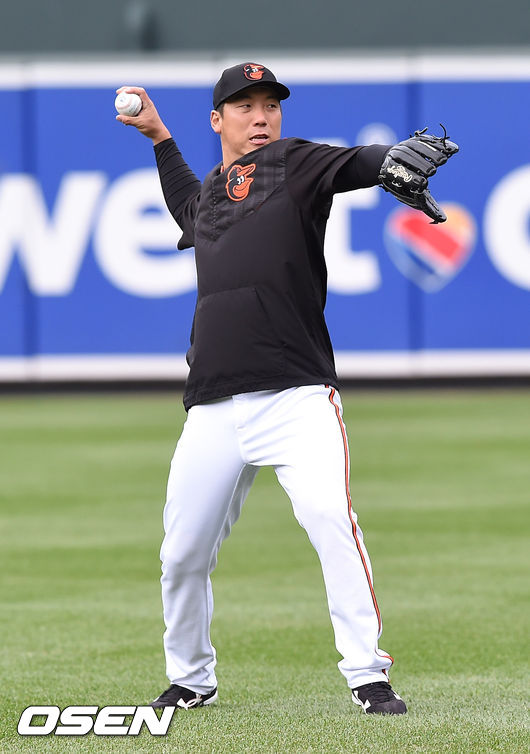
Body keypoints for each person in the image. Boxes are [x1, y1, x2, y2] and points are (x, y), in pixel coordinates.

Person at [116, 62, 408, 715]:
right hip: (213, 405)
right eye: (244, 105)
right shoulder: (214, 192)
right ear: (217, 120)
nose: (260, 116)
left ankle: (367, 674)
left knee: (332, 520)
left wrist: (391, 160)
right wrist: (160, 137)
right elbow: (188, 206)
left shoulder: (293, 164)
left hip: (296, 396)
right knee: (181, 555)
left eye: (269, 104)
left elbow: (355, 163)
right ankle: (191, 677)